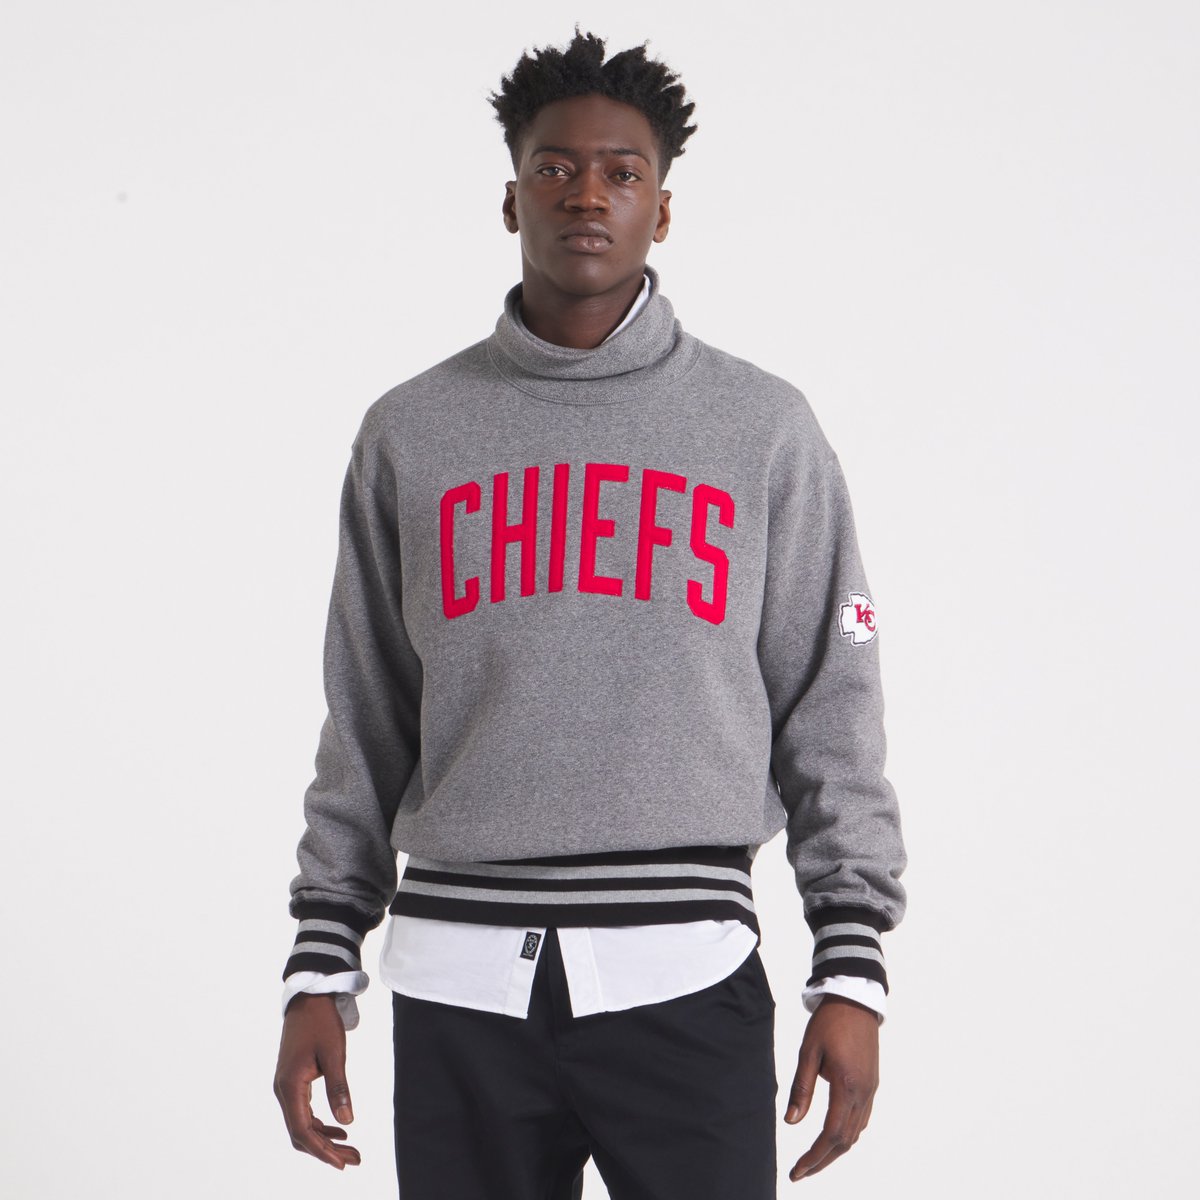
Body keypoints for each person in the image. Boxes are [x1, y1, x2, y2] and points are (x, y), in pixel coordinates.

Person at [273, 27, 907, 1199]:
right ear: (509, 198)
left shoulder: (763, 430)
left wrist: (851, 964)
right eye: (555, 168)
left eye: (622, 172)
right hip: (459, 986)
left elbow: (834, 694)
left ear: (661, 211)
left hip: (686, 975)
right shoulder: (411, 432)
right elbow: (364, 713)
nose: (586, 195)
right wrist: (321, 962)